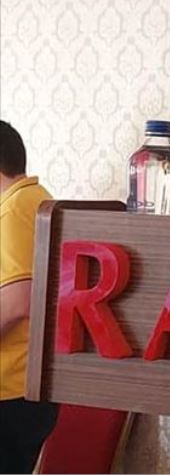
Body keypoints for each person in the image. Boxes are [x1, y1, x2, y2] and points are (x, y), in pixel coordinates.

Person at [0, 120, 59, 474]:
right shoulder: (39, 199)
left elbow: (17, 302)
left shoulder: (12, 210)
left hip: (9, 388)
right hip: (30, 387)